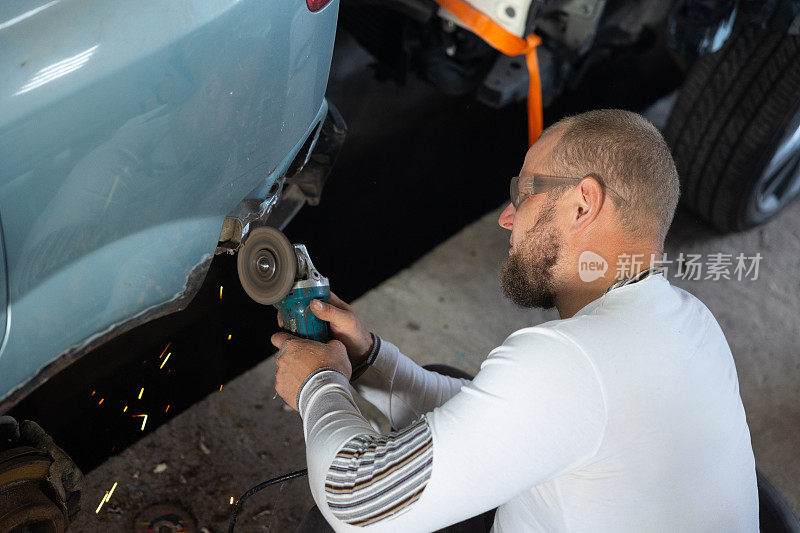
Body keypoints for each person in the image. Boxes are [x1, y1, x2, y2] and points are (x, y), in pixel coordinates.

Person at [271, 109, 759, 532]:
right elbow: (522, 420)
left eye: (525, 192)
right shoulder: (691, 320)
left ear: (582, 204)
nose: (507, 217)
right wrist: (366, 361)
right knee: (448, 381)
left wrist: (318, 383)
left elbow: (355, 500)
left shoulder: (568, 363)